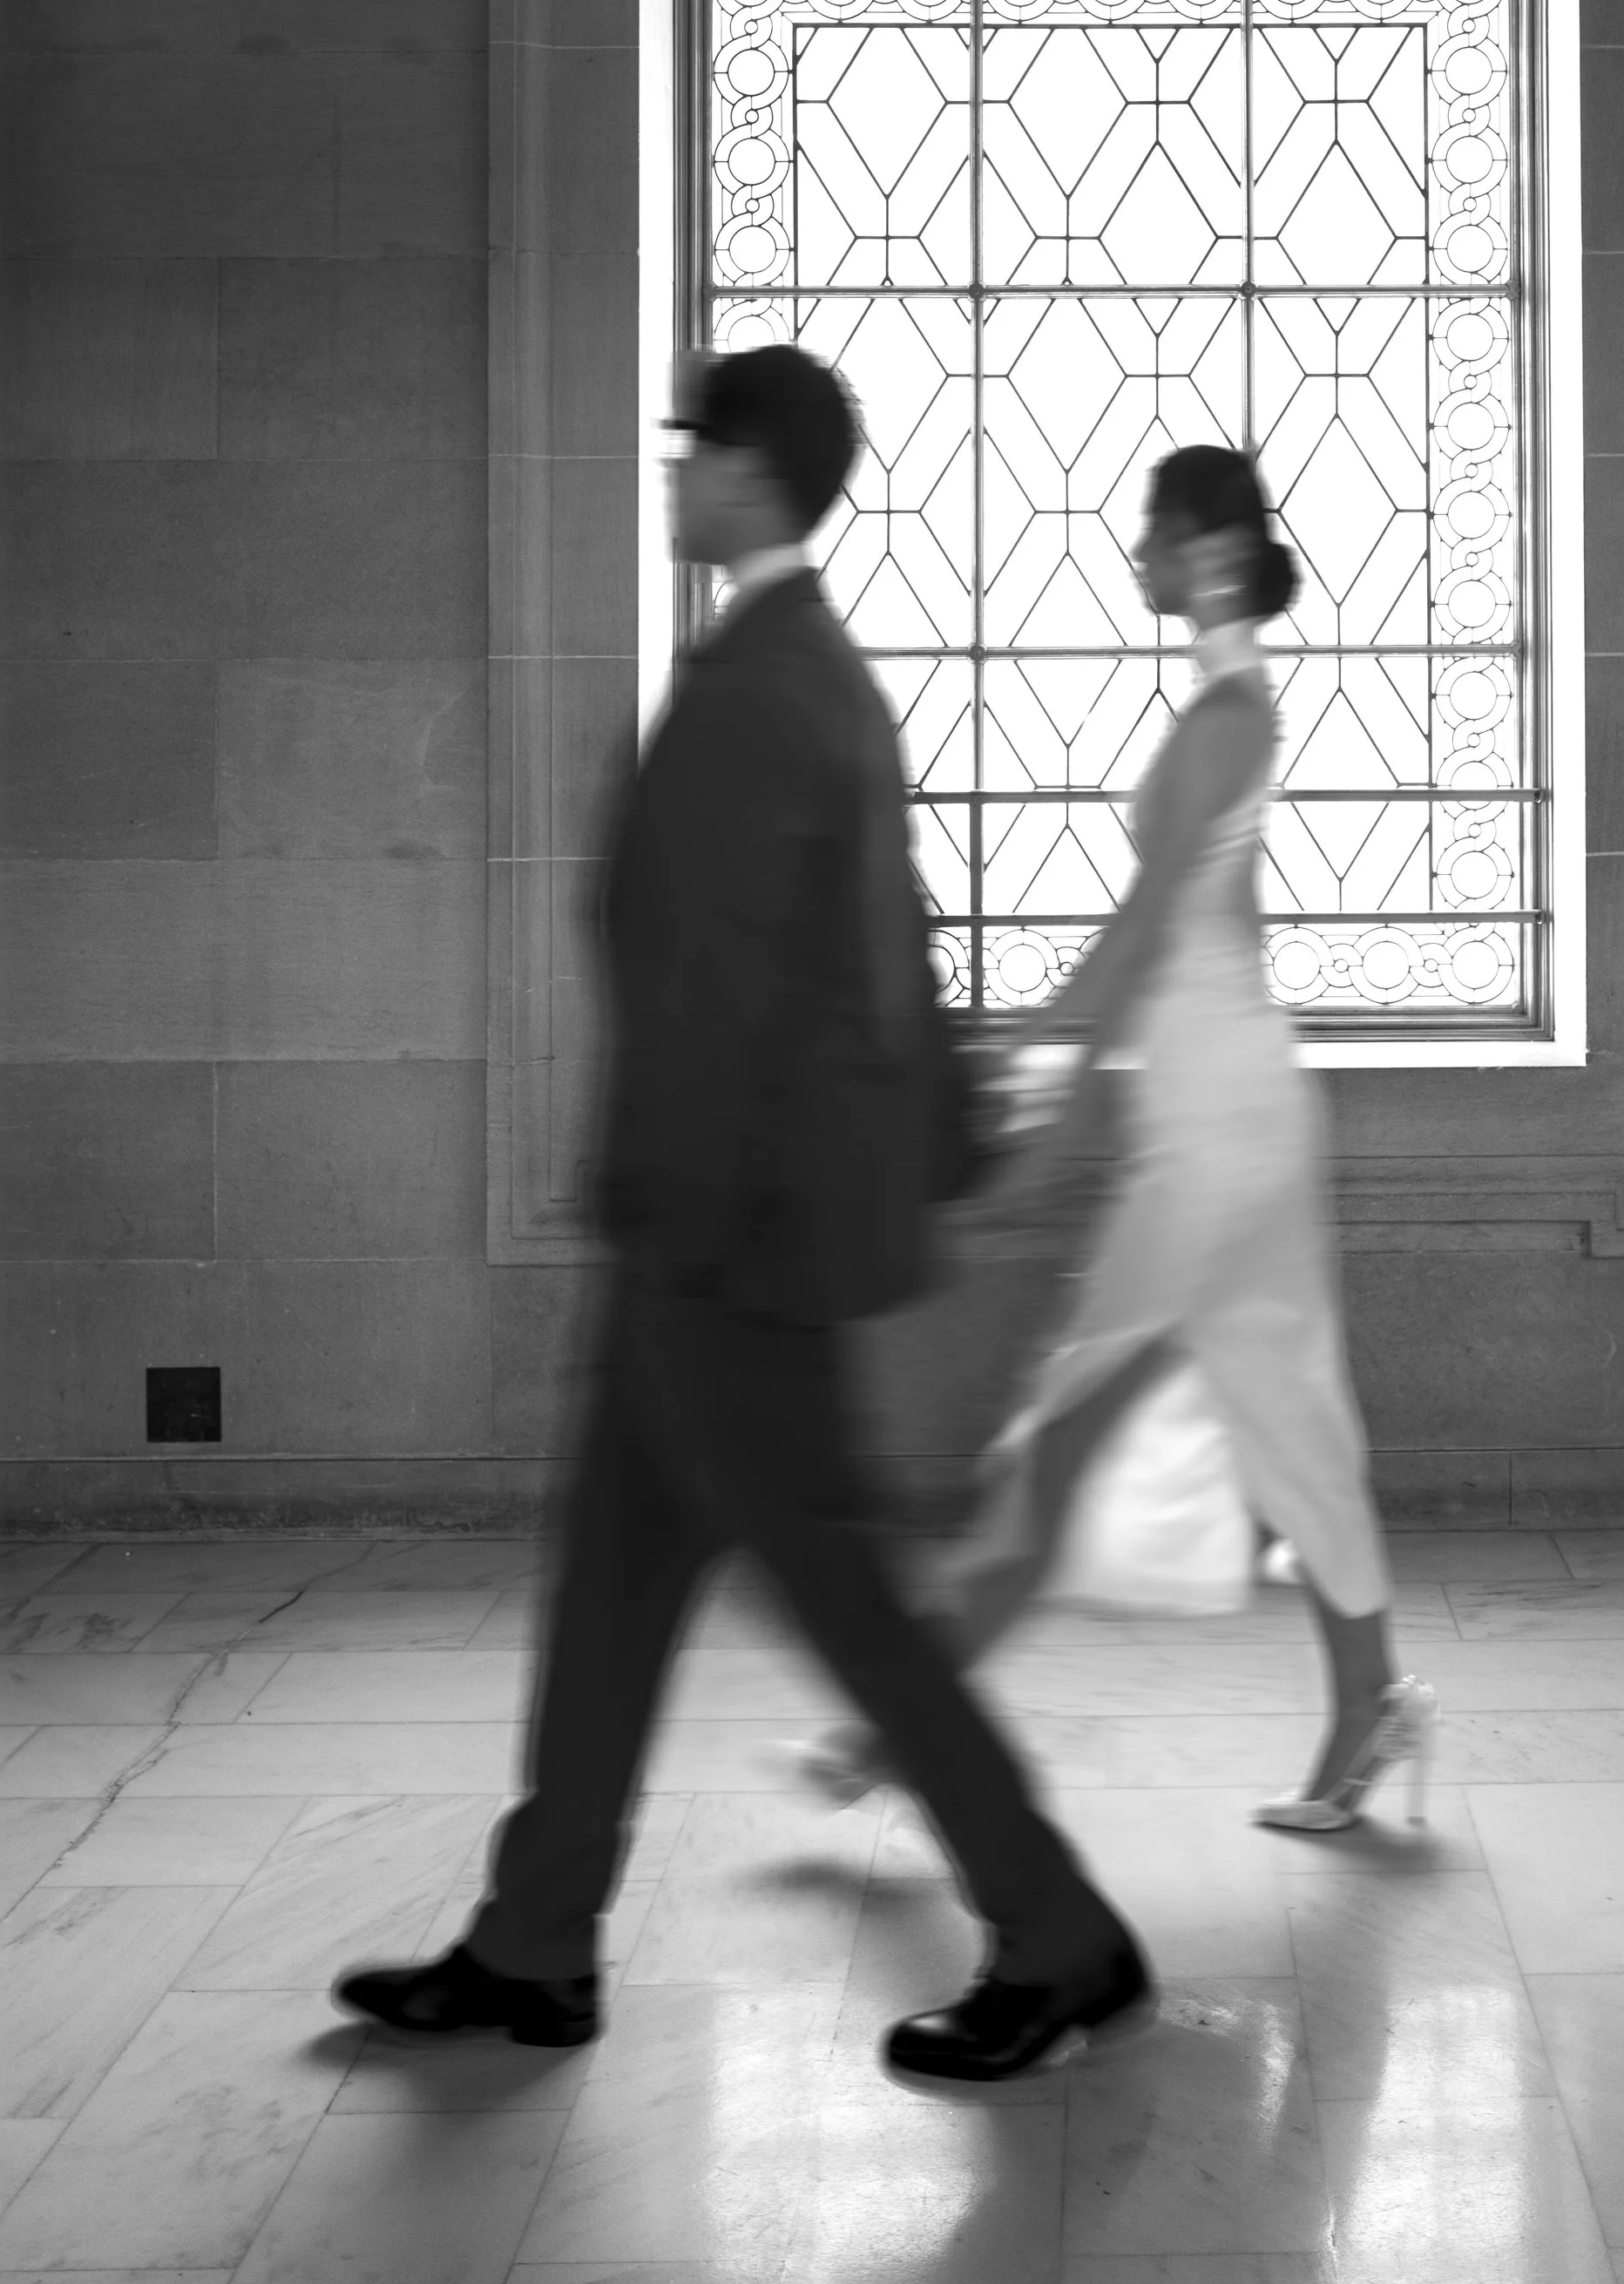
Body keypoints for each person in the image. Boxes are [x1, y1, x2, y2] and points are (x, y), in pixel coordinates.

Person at [335, 344, 1150, 2081]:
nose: (668, 470)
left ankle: (1056, 1930)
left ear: (747, 468)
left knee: (854, 1609)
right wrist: (930, 1134)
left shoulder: (757, 686)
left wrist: (683, 1221)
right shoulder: (813, 670)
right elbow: (894, 938)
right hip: (713, 1246)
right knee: (613, 1594)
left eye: (685, 444)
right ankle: (534, 1940)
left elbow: (717, 987)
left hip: (720, 1252)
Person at [806, 444, 1434, 1833]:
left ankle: (899, 1731)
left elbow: (1151, 931)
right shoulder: (1227, 706)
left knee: (1067, 1431)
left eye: (1151, 532)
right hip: (1225, 1109)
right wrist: (1076, 1066)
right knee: (1286, 1427)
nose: (1133, 553)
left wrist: (1031, 1053)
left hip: (1221, 1133)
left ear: (1207, 549)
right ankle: (1371, 1708)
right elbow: (1207, 935)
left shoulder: (1225, 716)